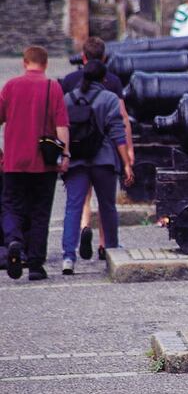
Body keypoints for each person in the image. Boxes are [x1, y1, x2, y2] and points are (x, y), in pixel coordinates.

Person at [0, 46, 70, 281]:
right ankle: (36, 265)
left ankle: (13, 240)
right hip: (43, 162)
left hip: (13, 161)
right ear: (46, 63)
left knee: (11, 206)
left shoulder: (10, 86)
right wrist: (65, 155)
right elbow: (61, 126)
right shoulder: (53, 87)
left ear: (24, 62)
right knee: (40, 212)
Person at [61, 36, 134, 261]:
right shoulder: (110, 92)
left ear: (83, 60)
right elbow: (119, 128)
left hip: (76, 157)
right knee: (107, 205)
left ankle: (68, 255)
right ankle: (109, 247)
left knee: (73, 206)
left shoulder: (68, 93)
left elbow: (61, 126)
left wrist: (63, 155)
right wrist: (127, 161)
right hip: (103, 158)